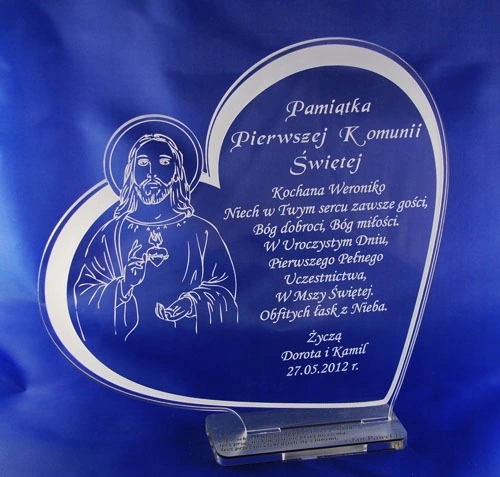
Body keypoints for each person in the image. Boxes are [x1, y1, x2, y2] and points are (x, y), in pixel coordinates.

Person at [73, 133, 238, 342]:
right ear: (131, 172)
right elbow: (84, 296)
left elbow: (224, 289)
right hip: (128, 350)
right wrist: (124, 285)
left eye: (164, 162)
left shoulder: (202, 232)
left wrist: (191, 303)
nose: (152, 173)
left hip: (192, 347)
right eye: (143, 163)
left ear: (177, 172)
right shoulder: (110, 234)